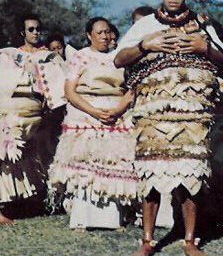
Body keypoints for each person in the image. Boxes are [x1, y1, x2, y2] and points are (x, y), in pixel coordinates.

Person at [114, 0, 223, 256]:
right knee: (151, 170)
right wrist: (145, 45)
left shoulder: (201, 24)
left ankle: (190, 240)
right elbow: (119, 59)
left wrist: (204, 47)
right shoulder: (146, 24)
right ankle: (148, 241)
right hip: (154, 109)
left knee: (190, 171)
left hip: (192, 112)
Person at [48, 17, 138, 230]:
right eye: (99, 33)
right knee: (86, 163)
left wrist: (117, 110)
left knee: (114, 161)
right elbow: (70, 90)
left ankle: (113, 218)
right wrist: (94, 112)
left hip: (116, 111)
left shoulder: (120, 57)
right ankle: (83, 218)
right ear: (89, 35)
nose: (105, 36)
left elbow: (132, 89)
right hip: (85, 111)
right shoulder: (80, 57)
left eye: (107, 32)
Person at [0, 14, 66, 224]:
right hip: (9, 112)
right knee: (6, 155)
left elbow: (60, 85)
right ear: (22, 32)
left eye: (38, 29)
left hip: (37, 116)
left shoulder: (50, 57)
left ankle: (31, 201)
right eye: (31, 29)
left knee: (34, 157)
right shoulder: (8, 55)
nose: (36, 33)